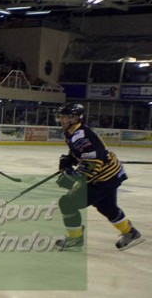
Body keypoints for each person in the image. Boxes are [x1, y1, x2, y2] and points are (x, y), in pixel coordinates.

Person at [54, 103, 145, 251]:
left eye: (66, 117)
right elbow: (82, 153)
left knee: (67, 203)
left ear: (77, 118)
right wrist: (70, 159)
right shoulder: (73, 133)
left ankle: (75, 238)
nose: (62, 120)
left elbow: (94, 161)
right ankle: (130, 232)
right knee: (106, 206)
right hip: (110, 175)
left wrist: (76, 176)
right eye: (61, 116)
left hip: (103, 178)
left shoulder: (81, 135)